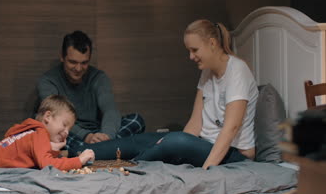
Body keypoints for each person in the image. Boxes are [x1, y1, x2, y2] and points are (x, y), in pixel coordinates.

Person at [74, 20, 258, 169]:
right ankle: (80, 153)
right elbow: (194, 124)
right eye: (189, 51)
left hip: (233, 154)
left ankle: (125, 170)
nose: (191, 56)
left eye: (195, 50)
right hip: (203, 144)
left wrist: (206, 170)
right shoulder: (207, 72)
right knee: (142, 140)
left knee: (173, 140)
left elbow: (231, 129)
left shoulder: (237, 71)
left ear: (212, 43)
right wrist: (172, 146)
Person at [36, 30, 145, 156]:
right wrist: (86, 136)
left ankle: (97, 150)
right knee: (46, 129)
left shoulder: (98, 77)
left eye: (84, 63)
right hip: (69, 133)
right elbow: (53, 119)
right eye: (73, 62)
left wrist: (106, 136)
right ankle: (107, 150)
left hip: (98, 133)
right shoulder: (48, 80)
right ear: (62, 56)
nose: (78, 68)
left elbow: (110, 110)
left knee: (136, 121)